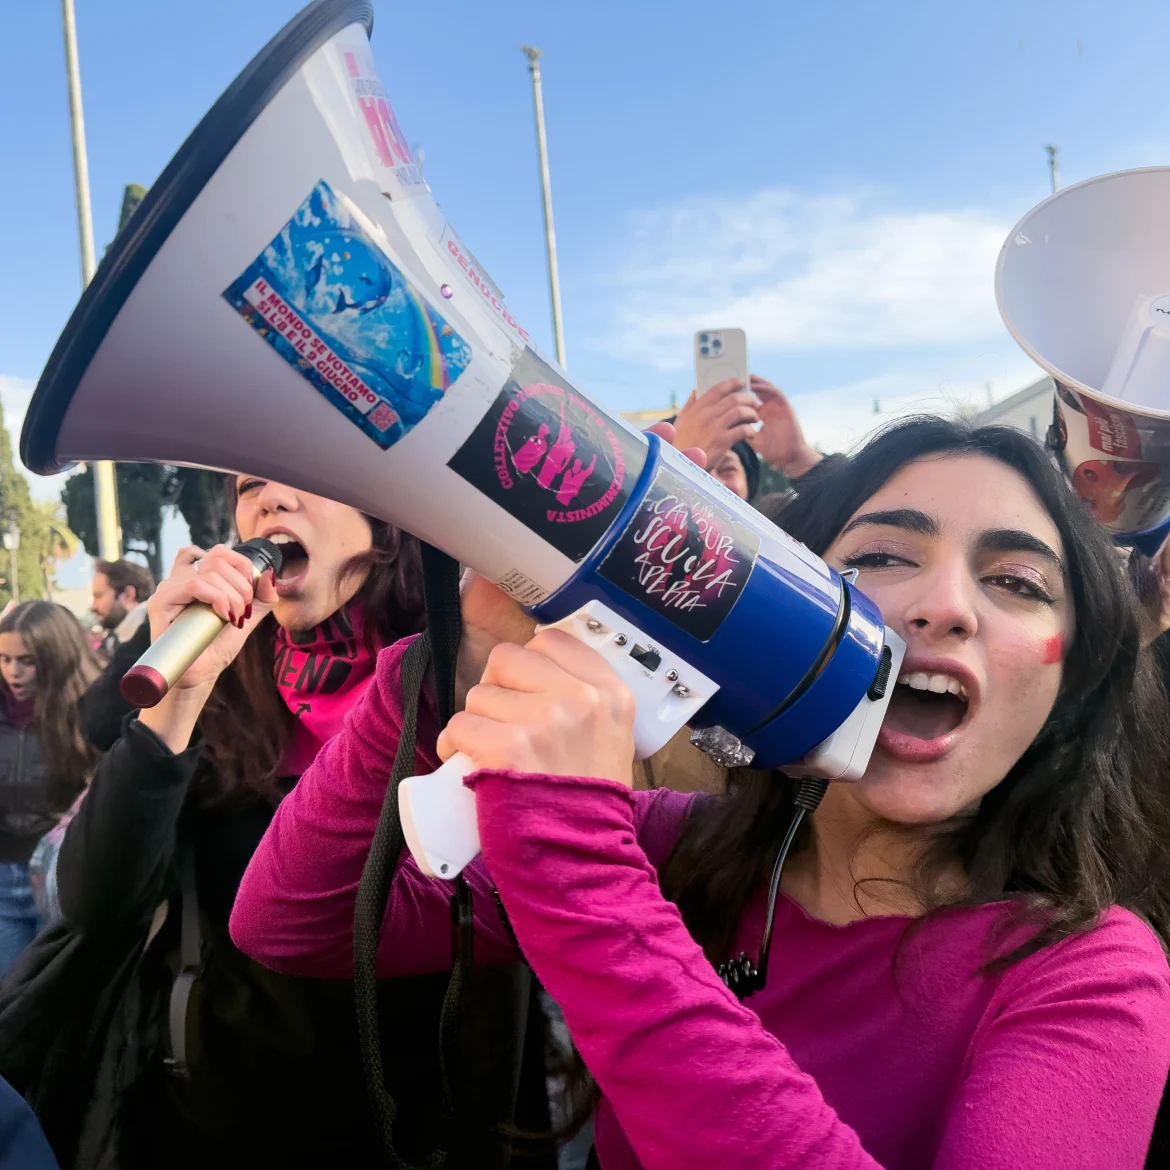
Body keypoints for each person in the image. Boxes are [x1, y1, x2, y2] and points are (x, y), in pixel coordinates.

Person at [231, 417, 1170, 1169]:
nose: (945, 606)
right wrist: (449, 664)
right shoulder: (675, 848)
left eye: (1016, 581)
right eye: (884, 557)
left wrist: (581, 869)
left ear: (1070, 685)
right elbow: (295, 923)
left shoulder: (1089, 974)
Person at [49, 477, 427, 1169]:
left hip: (424, 1120)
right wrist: (176, 703)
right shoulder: (217, 682)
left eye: (308, 476)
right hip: (216, 1114)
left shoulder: (455, 678)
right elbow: (93, 905)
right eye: (251, 486)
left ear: (384, 524)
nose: (271, 501)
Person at [0, 602, 102, 975]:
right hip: (3, 876)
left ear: (55, 657)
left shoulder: (93, 712)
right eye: (4, 658)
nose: (13, 671)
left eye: (26, 660)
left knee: (60, 991)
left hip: (64, 876)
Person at [89, 559, 155, 653]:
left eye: (98, 596)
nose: (93, 607)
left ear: (128, 594)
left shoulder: (158, 636)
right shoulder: (112, 643)